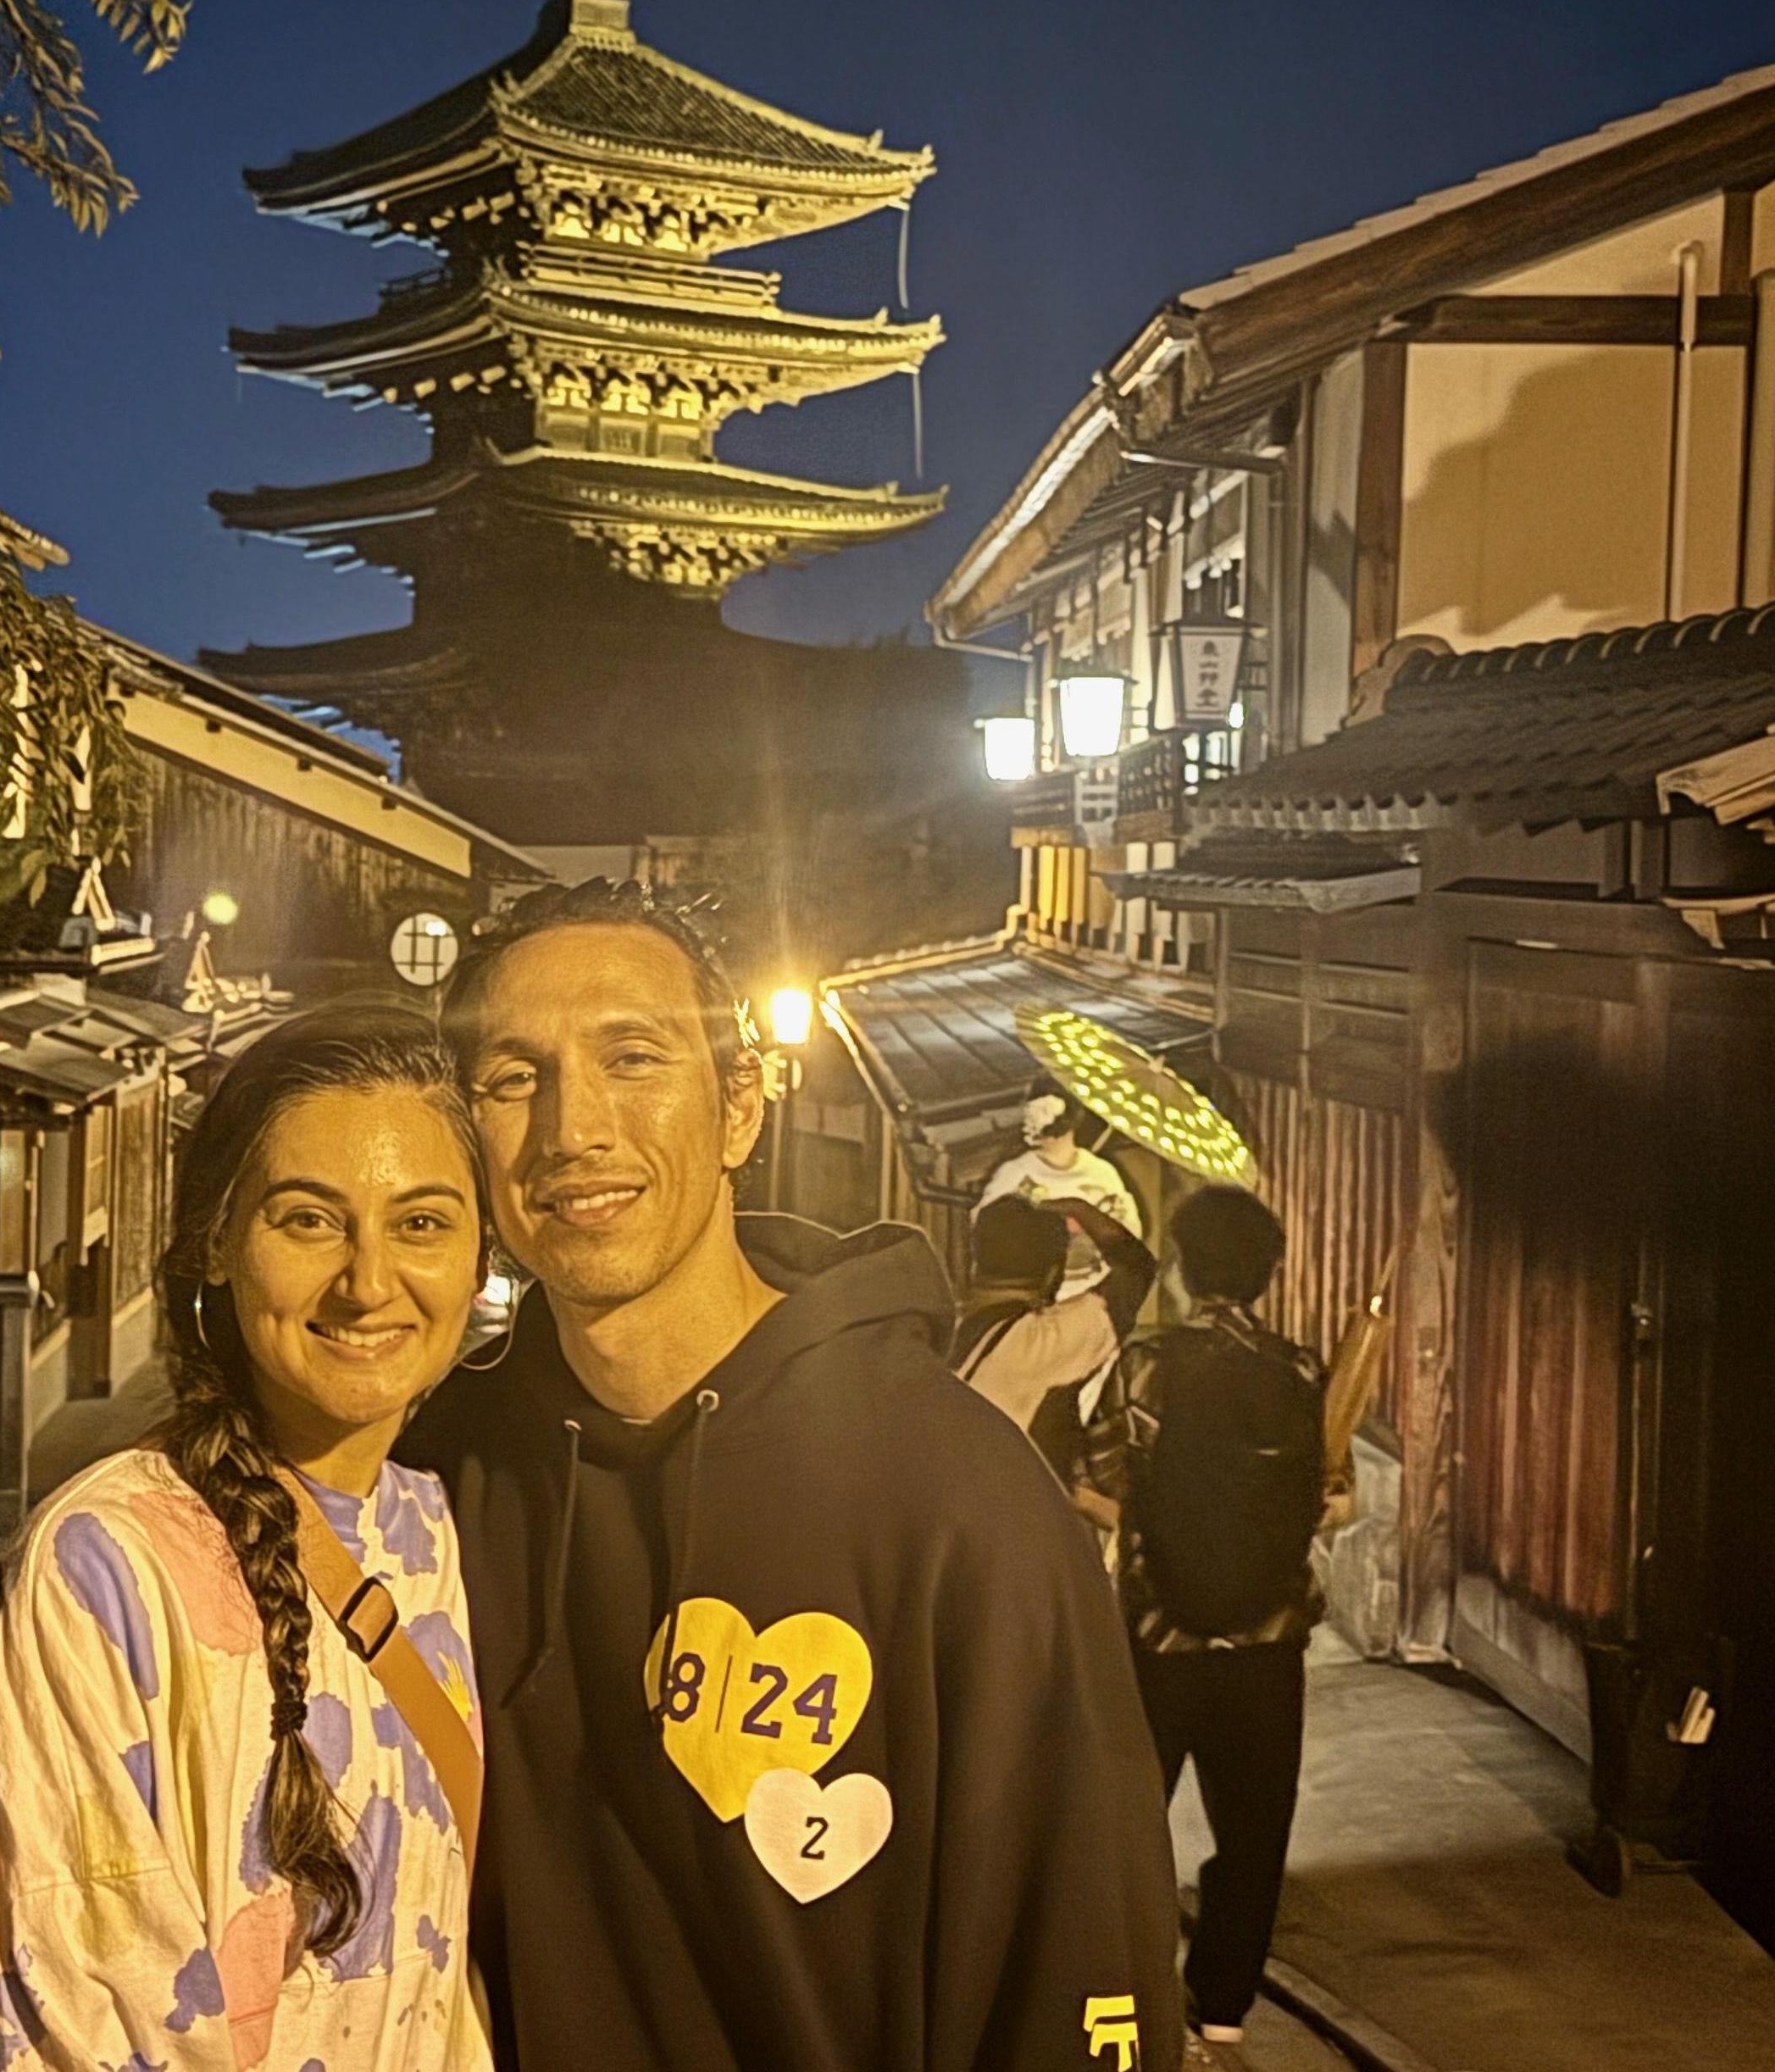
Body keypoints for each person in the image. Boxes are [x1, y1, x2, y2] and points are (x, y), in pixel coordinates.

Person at [402, 881, 1184, 2072]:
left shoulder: (959, 1502)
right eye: (515, 1078)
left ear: (739, 1107)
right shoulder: (434, 1478)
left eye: (634, 1057)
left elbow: (1078, 1959)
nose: (573, 1130)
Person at [0, 1003, 492, 2072]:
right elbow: (57, 2019)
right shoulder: (106, 1566)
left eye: (421, 1222)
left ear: (478, 1260)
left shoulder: (432, 1532)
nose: (369, 1281)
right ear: (217, 1247)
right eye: (308, 1219)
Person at [1087, 1185, 1341, 2051]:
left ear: (1189, 1268)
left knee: (1129, 1822)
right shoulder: (1303, 1370)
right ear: (1268, 1272)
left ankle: (1130, 1997)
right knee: (1255, 1830)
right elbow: (1321, 1498)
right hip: (1269, 1644)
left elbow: (1108, 1481)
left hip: (1162, 1638)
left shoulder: (1147, 1364)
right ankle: (1224, 2012)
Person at [951, 1190, 1157, 1498]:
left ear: (975, 1264)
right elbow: (1137, 1268)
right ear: (1053, 1275)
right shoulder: (1042, 1343)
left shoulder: (937, 1333)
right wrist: (1082, 1210)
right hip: (1014, 1522)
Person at [976, 1092, 1140, 1292]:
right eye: (1030, 1111)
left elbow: (1128, 1237)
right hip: (1029, 1297)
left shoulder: (1102, 1174)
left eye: (1043, 1111)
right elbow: (984, 1230)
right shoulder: (1013, 1174)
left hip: (1091, 1295)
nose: (1031, 1121)